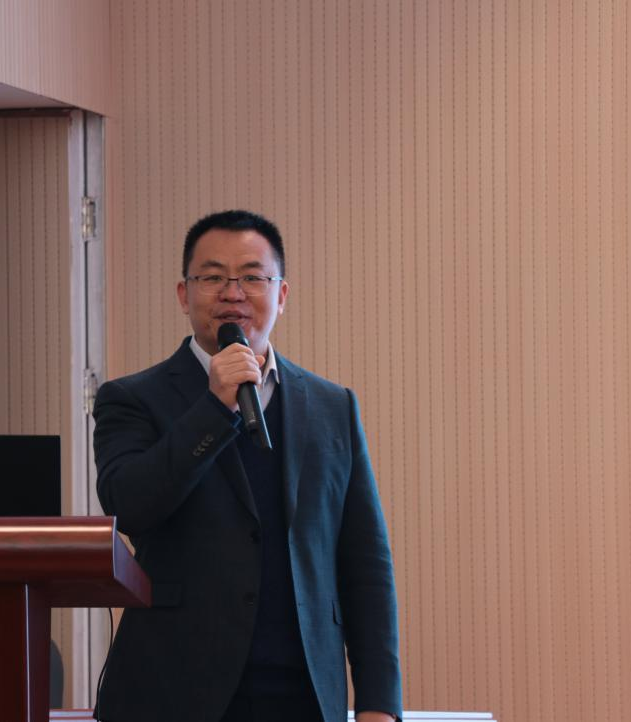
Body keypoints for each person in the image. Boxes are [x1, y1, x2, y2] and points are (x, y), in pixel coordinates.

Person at [93, 210, 401, 722]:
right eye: (212, 277)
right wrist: (215, 407)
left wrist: (379, 703)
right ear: (184, 294)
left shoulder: (332, 406)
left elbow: (365, 562)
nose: (232, 293)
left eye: (253, 278)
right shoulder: (131, 399)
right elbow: (129, 504)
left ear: (281, 295)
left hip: (302, 693)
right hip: (172, 690)